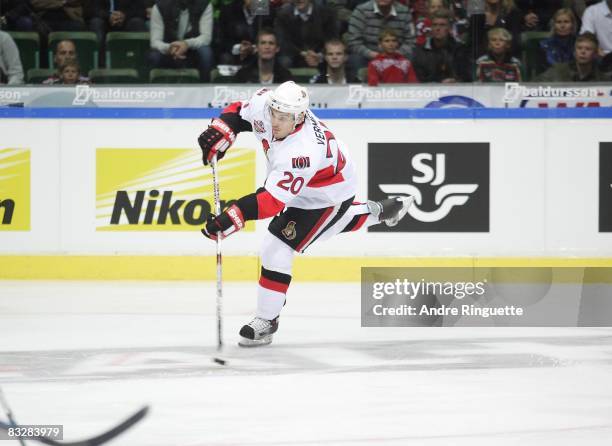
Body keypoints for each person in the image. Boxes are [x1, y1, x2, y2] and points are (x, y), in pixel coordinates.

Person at [196, 81, 413, 347]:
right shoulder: (268, 104)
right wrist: (223, 130)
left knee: (277, 247)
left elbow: (272, 202)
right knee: (321, 229)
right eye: (274, 113)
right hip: (305, 183)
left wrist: (232, 217)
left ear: (299, 117)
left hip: (327, 194)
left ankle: (267, 320)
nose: (275, 121)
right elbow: (240, 111)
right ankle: (385, 209)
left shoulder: (304, 151)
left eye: (283, 118)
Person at [149, 0, 214, 81]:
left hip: (192, 51)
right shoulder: (159, 7)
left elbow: (206, 37)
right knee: (154, 56)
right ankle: (155, 91)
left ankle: (205, 89)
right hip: (169, 52)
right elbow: (155, 41)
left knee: (205, 52)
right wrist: (169, 47)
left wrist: (186, 44)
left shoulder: (204, 5)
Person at [346, 0, 416, 71]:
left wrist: (395, 54)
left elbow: (410, 42)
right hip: (368, 56)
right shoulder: (361, 11)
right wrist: (374, 55)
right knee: (355, 59)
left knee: (411, 55)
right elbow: (353, 42)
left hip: (396, 55)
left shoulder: (404, 12)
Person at [274, 0, 339, 69]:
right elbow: (283, 41)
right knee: (284, 60)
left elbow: (331, 39)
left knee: (334, 57)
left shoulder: (327, 13)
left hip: (319, 53)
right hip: (295, 54)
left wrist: (320, 55)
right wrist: (303, 53)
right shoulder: (283, 14)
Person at [413, 9, 471, 82]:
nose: (438, 28)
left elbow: (466, 77)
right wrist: (439, 83)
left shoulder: (459, 50)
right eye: (435, 25)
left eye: (442, 25)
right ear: (431, 28)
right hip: (430, 91)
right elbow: (418, 79)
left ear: (449, 28)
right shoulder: (421, 51)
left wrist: (456, 81)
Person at [537, 32, 609, 82]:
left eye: (588, 49)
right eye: (579, 48)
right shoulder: (558, 71)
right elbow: (534, 86)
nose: (583, 52)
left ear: (595, 54)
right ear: (574, 52)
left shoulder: (602, 79)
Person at [534, 8, 577, 75]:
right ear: (554, 25)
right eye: (559, 22)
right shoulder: (543, 45)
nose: (562, 26)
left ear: (572, 24)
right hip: (551, 81)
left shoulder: (579, 44)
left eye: (566, 22)